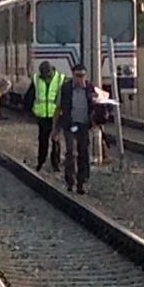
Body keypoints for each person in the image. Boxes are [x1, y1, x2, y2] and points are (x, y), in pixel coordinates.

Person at [53, 63, 97, 194]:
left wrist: (96, 121)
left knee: (83, 153)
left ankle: (82, 182)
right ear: (73, 75)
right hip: (70, 125)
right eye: (78, 76)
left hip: (84, 125)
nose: (81, 79)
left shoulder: (90, 88)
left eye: (83, 76)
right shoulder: (65, 89)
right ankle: (70, 181)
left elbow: (97, 107)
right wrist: (55, 128)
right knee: (70, 153)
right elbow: (58, 109)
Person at [23, 61, 64, 172]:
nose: (44, 76)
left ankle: (55, 164)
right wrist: (26, 109)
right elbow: (30, 95)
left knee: (55, 139)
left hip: (55, 114)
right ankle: (41, 161)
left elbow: (64, 96)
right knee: (43, 139)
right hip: (42, 115)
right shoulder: (37, 79)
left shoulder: (60, 79)